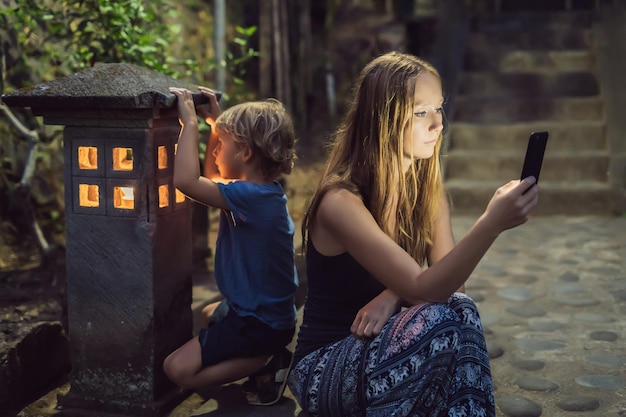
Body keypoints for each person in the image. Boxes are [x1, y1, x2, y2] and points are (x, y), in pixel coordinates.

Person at [287, 51, 539, 416]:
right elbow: (424, 291)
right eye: (421, 112)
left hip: (390, 348)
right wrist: (490, 224)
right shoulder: (340, 200)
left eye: (439, 108)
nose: (438, 124)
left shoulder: (428, 191)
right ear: (382, 119)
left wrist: (393, 294)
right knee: (435, 319)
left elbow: (452, 290)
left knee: (461, 310)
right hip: (325, 366)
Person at [164, 86, 298, 406]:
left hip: (261, 324)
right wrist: (216, 126)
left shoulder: (250, 198)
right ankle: (264, 356)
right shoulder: (259, 192)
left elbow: (187, 182)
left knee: (177, 369)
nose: (214, 151)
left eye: (220, 145)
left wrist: (190, 126)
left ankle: (266, 360)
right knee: (210, 313)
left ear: (246, 153)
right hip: (265, 314)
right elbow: (212, 174)